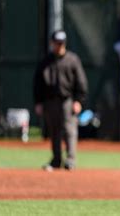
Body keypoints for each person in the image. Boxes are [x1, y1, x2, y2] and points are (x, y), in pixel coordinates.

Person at [33, 30, 88, 171]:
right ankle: (56, 160)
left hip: (67, 100)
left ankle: (70, 160)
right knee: (54, 131)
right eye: (57, 43)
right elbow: (37, 83)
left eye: (61, 43)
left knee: (69, 130)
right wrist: (38, 102)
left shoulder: (72, 60)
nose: (59, 46)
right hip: (50, 101)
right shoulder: (46, 61)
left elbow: (81, 82)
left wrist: (78, 100)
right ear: (52, 43)